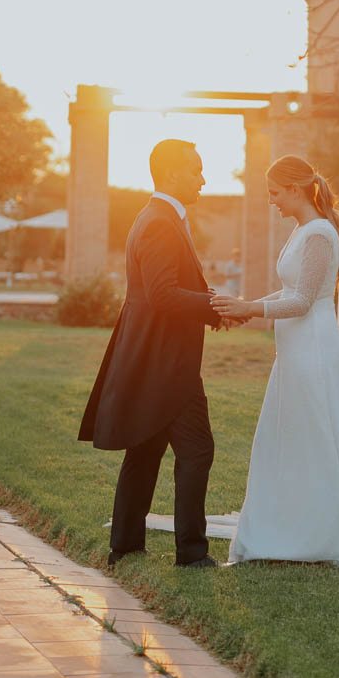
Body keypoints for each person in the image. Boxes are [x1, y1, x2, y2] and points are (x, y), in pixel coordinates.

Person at [212, 155, 339, 567]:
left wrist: (249, 307)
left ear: (296, 189)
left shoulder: (319, 234)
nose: (272, 201)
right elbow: (288, 292)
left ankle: (325, 535)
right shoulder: (301, 230)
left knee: (314, 438)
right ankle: (287, 527)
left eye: (275, 193)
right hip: (293, 350)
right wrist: (245, 308)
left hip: (312, 348)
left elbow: (303, 301)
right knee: (287, 437)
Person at [78, 139, 225, 570]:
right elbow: (162, 295)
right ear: (172, 174)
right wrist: (212, 305)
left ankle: (125, 546)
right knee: (197, 451)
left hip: (152, 357)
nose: (203, 178)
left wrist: (208, 305)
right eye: (196, 170)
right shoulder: (160, 222)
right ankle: (192, 554)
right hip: (167, 363)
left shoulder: (156, 217)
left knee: (143, 450)